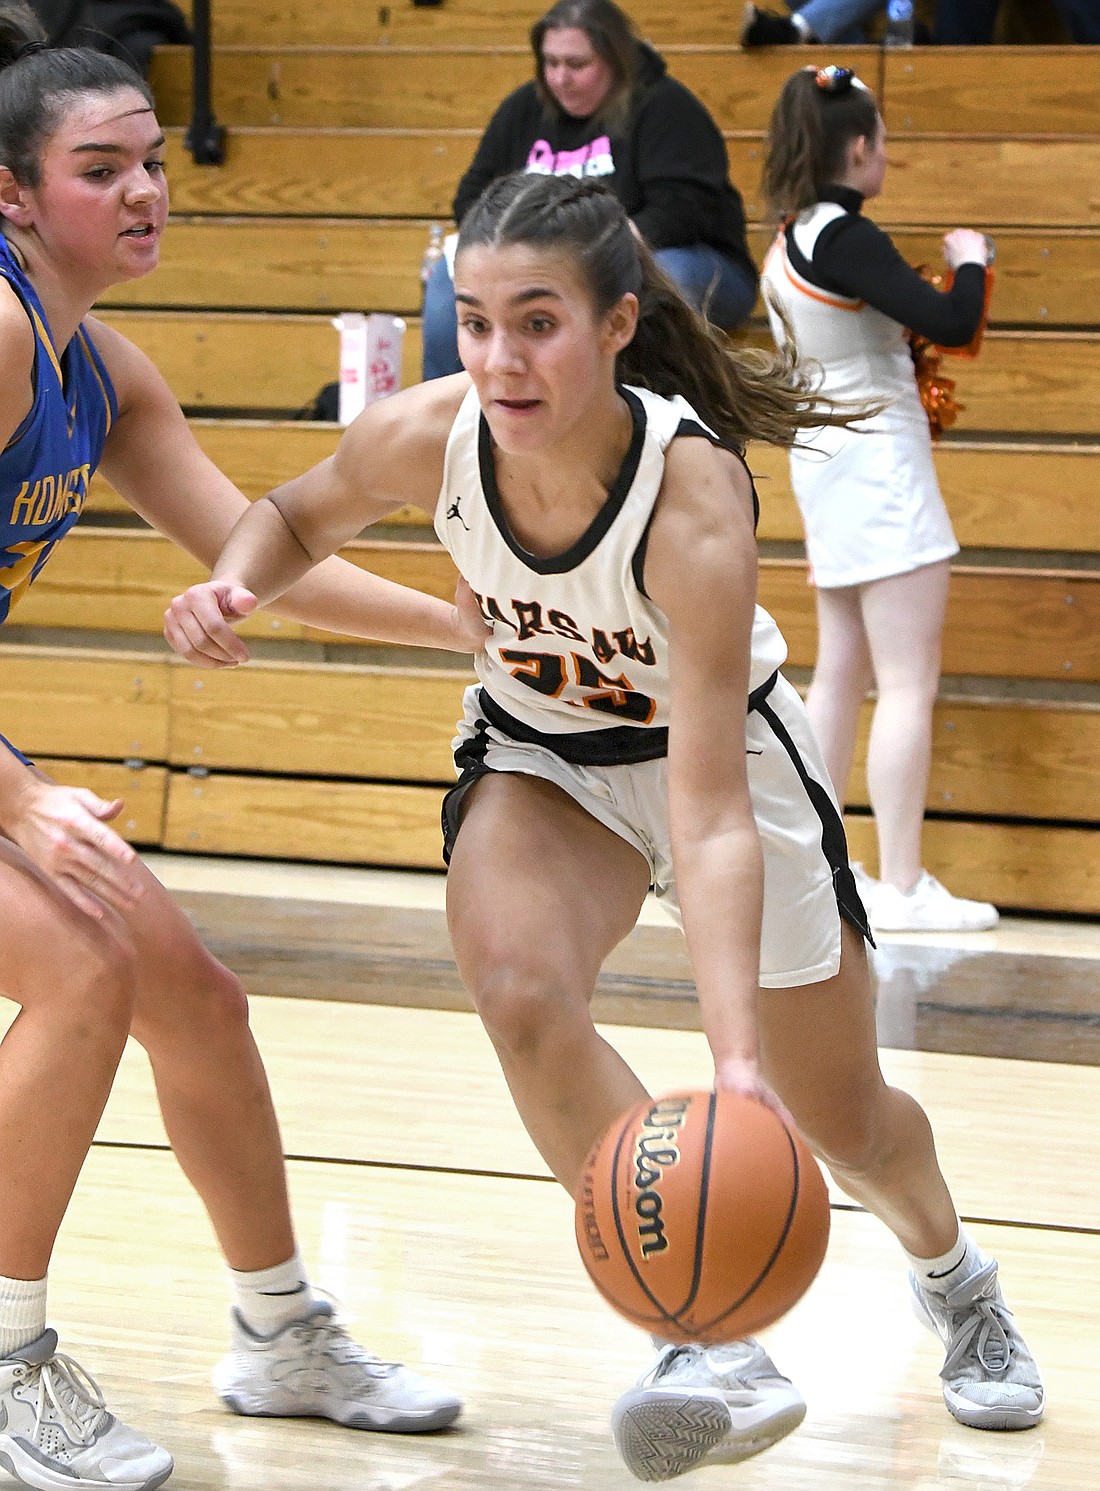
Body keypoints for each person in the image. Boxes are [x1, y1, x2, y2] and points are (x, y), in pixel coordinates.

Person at [166, 168, 1044, 1485]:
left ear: (618, 324)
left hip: (722, 763)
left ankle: (954, 1272)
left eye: (538, 322)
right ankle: (708, 1340)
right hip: (542, 752)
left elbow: (705, 810)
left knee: (838, 1110)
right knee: (519, 988)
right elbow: (296, 510)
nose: (500, 358)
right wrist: (233, 580)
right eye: (474, 321)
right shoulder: (429, 434)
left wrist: (733, 1060)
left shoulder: (691, 500)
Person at [0, 9, 476, 1488]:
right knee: (85, 964)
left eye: (152, 161)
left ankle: (281, 1331)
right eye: (101, 168)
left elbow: (257, 552)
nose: (144, 189)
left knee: (194, 998)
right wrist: (17, 796)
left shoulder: (104, 368)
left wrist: (468, 627)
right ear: (13, 194)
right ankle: (9, 1362)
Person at [758, 64, 999, 933]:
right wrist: (971, 262)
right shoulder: (848, 238)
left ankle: (816, 867)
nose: (887, 155)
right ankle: (899, 885)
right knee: (904, 681)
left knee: (845, 671)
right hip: (877, 467)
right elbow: (950, 324)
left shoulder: (787, 239)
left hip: (825, 465)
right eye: (883, 141)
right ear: (856, 147)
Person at [420, 0, 758, 380]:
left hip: (682, 257)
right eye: (551, 63)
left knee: (658, 279)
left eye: (577, 65)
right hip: (544, 264)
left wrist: (605, 243)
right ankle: (451, 421)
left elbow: (685, 209)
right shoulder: (522, 110)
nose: (561, 78)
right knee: (447, 283)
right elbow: (472, 198)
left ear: (614, 60)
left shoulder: (665, 106)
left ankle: (647, 410)